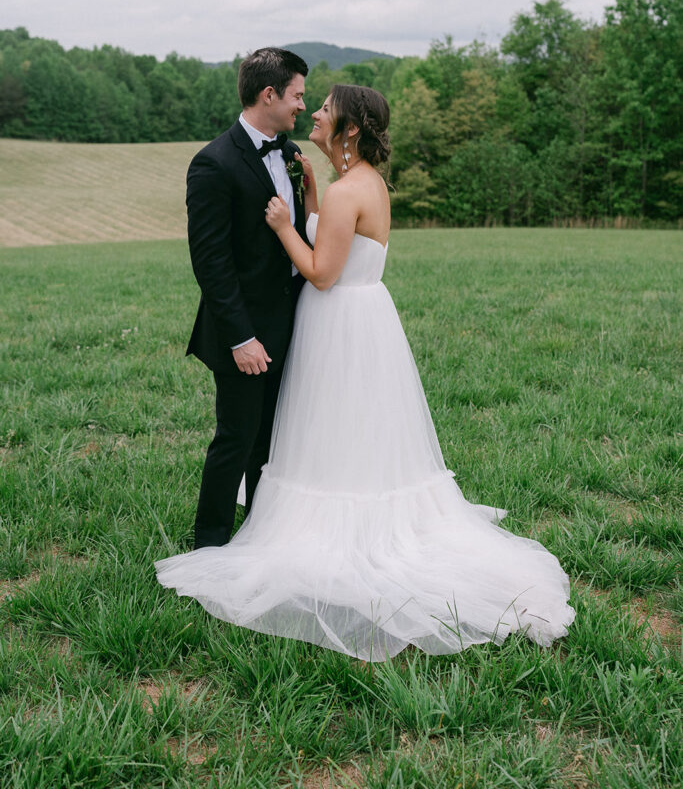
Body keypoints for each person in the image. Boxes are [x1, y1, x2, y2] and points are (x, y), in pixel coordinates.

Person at [157, 84, 575, 660]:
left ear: (349, 129)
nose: (316, 113)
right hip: (364, 320)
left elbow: (323, 272)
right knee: (350, 432)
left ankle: (320, 532)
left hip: (338, 318)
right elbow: (333, 239)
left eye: (325, 109)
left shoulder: (351, 188)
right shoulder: (362, 183)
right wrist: (309, 197)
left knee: (329, 428)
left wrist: (283, 224)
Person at [184, 46, 311, 549]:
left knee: (271, 444)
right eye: (297, 95)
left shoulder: (291, 153)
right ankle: (209, 546)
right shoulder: (213, 163)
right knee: (236, 439)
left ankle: (262, 536)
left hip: (290, 324)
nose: (303, 104)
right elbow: (211, 263)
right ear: (269, 94)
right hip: (244, 334)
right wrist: (241, 338)